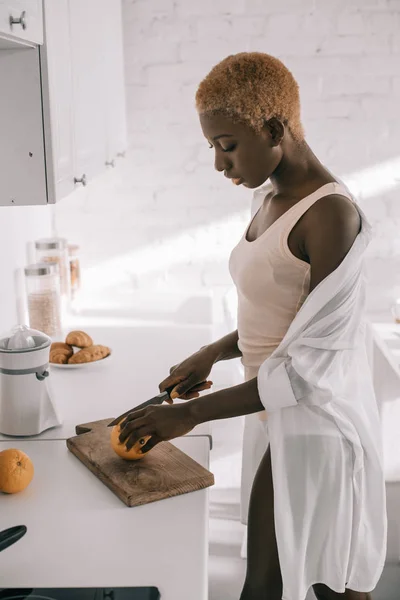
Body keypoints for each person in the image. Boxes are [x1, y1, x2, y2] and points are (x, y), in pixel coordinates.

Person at [115, 53, 387, 600]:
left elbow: (309, 369)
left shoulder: (330, 215)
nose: (219, 163)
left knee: (280, 584)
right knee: (300, 577)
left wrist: (188, 414)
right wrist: (214, 352)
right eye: (213, 146)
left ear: (273, 128)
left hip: (316, 426)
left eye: (227, 145)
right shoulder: (272, 197)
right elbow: (284, 313)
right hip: (271, 412)